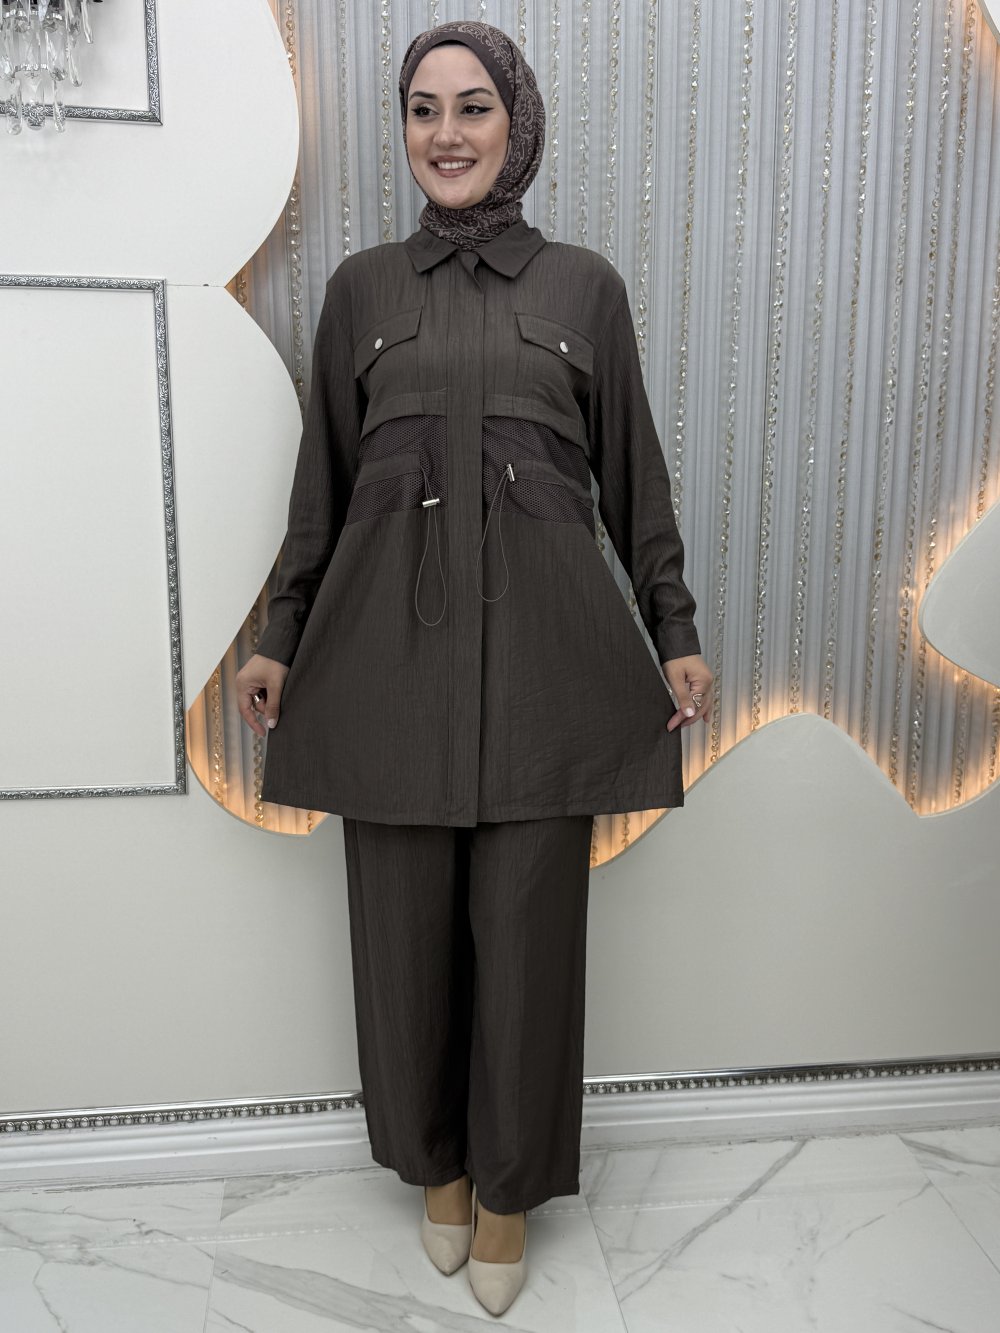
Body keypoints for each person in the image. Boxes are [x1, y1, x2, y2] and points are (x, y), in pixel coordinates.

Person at [235, 19, 713, 1318]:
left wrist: (672, 630)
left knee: (528, 946)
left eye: (473, 107)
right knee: (401, 948)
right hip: (385, 674)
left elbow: (636, 480)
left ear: (518, 124)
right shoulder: (360, 294)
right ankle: (436, 1172)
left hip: (547, 679)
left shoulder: (585, 291)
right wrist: (281, 635)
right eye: (422, 108)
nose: (445, 133)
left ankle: (507, 1190)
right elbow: (323, 491)